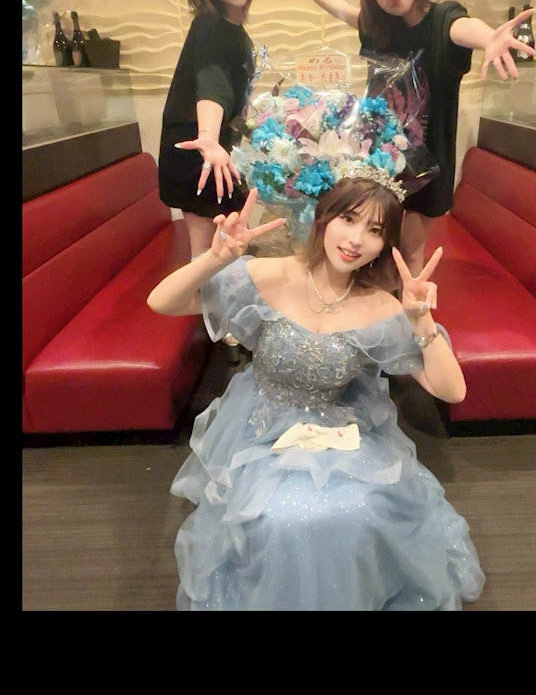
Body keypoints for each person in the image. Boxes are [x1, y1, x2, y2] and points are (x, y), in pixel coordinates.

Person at [147, 176, 486, 610]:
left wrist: (422, 321)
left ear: (385, 245)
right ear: (324, 219)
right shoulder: (270, 274)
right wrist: (215, 259)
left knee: (357, 509)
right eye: (349, 219)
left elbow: (451, 390)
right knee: (277, 517)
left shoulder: (380, 304)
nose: (357, 239)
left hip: (337, 426)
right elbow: (162, 302)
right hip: (261, 426)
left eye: (375, 230)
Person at [271, 0, 535, 278]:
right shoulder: (383, 31)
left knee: (408, 252)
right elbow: (342, 9)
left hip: (427, 166)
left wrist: (489, 39)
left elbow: (463, 27)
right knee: (372, 247)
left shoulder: (442, 19)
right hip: (381, 161)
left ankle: (406, 307)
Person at [158, 0, 255, 261]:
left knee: (231, 243)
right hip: (199, 152)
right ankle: (202, 296)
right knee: (208, 252)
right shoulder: (211, 26)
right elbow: (212, 84)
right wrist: (208, 138)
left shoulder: (234, 30)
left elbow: (232, 96)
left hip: (216, 152)